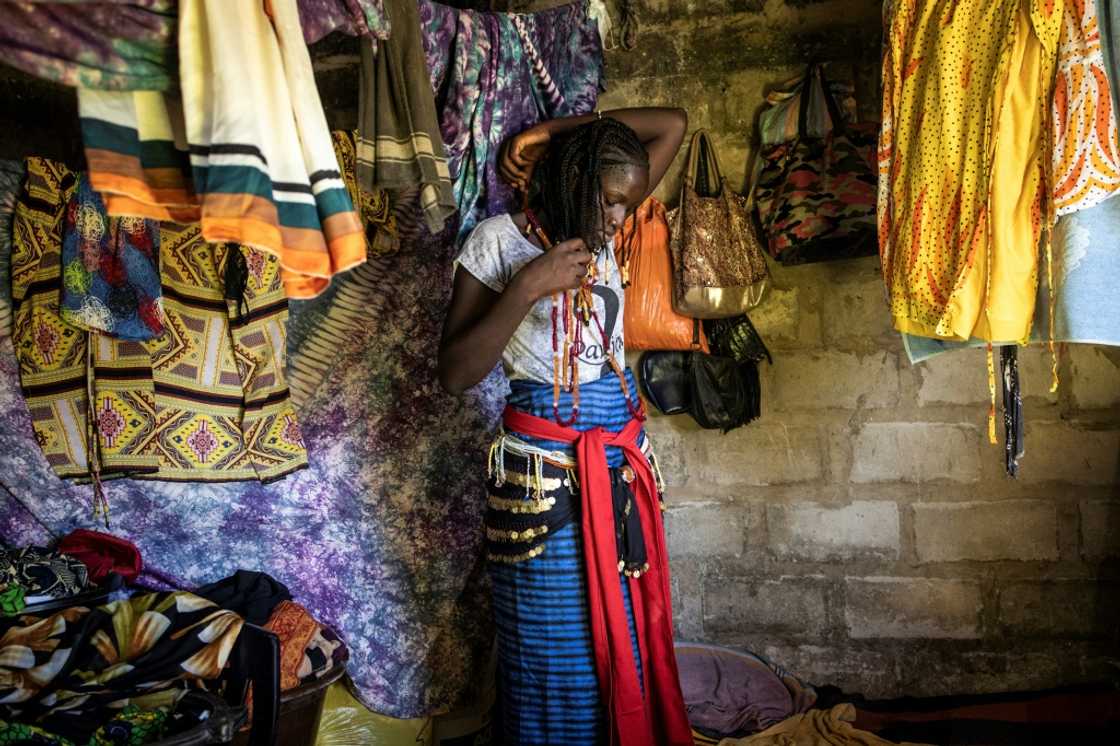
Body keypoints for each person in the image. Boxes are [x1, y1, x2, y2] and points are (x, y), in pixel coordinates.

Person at [438, 108, 691, 746]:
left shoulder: (604, 232)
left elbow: (672, 124)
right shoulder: (498, 242)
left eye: (626, 205)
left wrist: (546, 134)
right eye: (609, 201)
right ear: (576, 182)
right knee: (556, 650)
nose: (618, 218)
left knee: (623, 641)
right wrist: (527, 286)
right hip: (542, 484)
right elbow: (455, 374)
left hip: (616, 469)